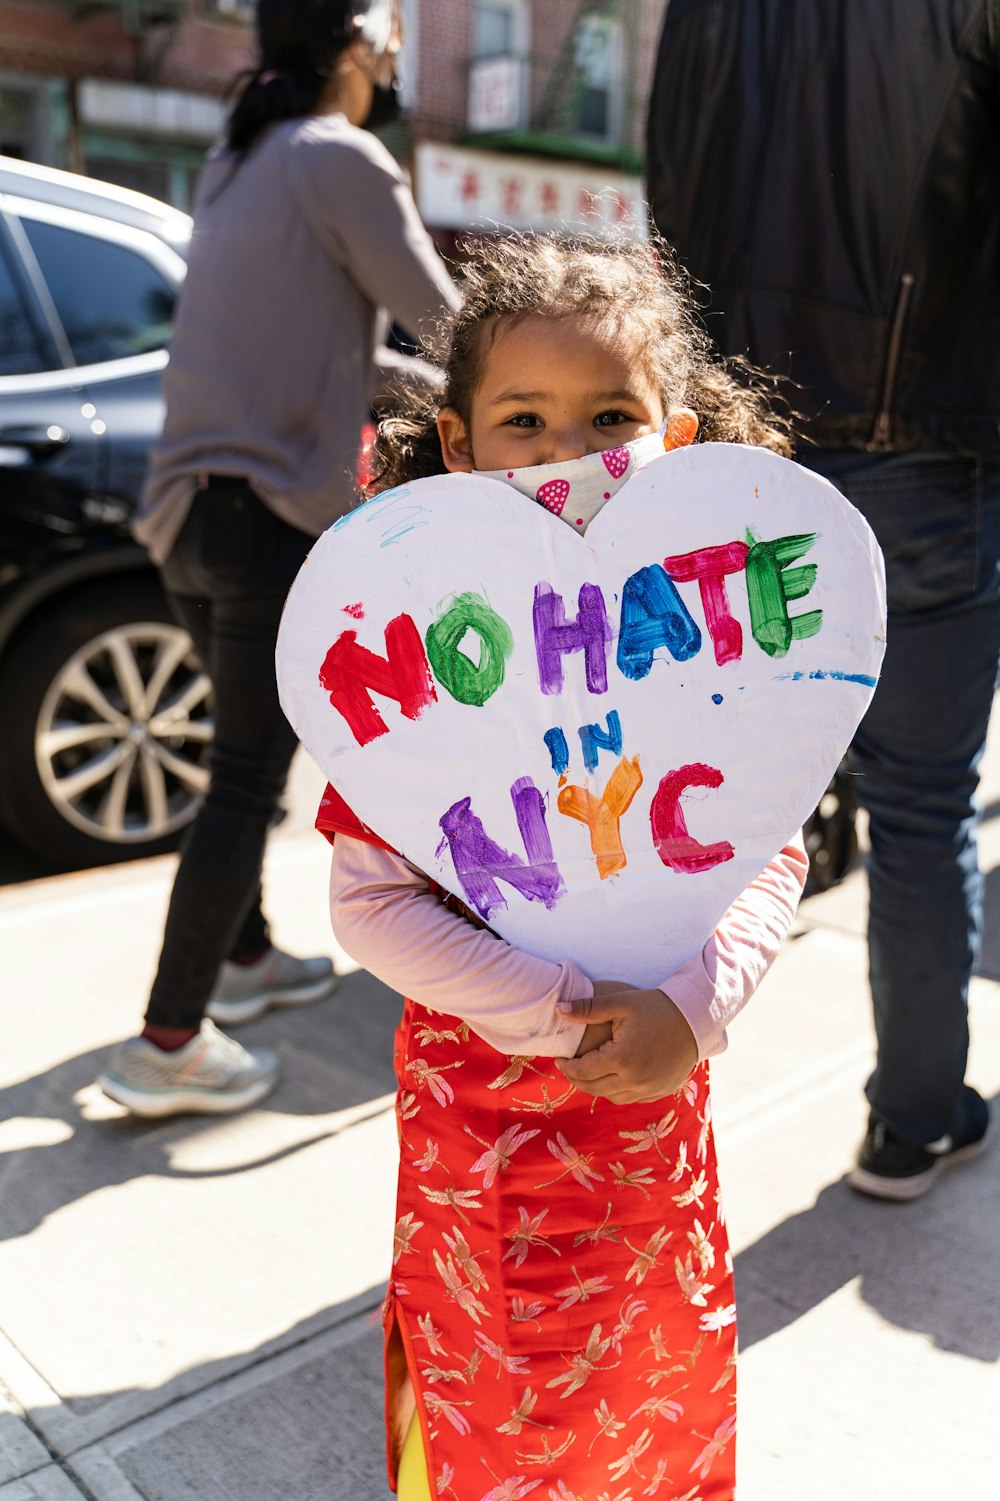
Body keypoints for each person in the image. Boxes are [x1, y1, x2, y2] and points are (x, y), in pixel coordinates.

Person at [309, 234, 809, 1500]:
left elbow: (772, 848)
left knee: (648, 1401)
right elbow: (367, 902)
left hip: (649, 1125)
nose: (567, 453)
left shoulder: (711, 639)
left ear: (675, 437)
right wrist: (555, 1011)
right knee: (500, 1425)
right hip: (482, 1141)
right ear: (461, 444)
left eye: (608, 416)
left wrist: (691, 1009)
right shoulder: (411, 638)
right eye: (524, 418)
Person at [646, 0, 1000, 1202]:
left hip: (737, 458)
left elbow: (672, 206)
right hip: (918, 453)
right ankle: (910, 1118)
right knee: (920, 803)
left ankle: (617, 1136)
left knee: (674, 796)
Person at [99, 0, 459, 1119]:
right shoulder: (339, 157)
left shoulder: (239, 158)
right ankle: (167, 1040)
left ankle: (244, 958)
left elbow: (343, 361)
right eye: (391, 29)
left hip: (187, 514)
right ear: (359, 47)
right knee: (249, 780)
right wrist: (525, 404)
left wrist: (470, 404)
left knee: (237, 767)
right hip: (265, 519)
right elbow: (447, 327)